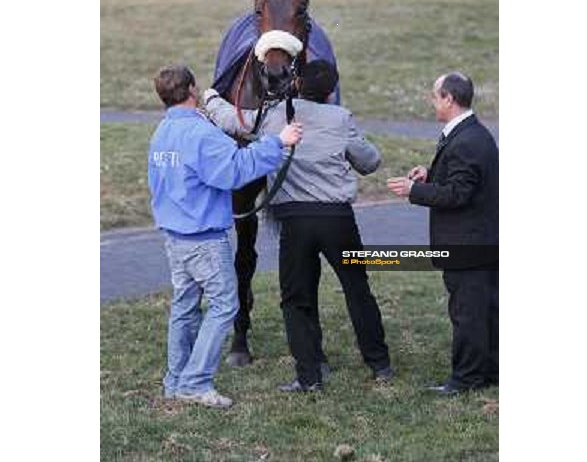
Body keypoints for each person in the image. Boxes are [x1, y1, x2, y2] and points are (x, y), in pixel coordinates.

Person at [204, 60, 392, 392]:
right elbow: (370, 162)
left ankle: (309, 376)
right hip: (338, 220)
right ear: (331, 91)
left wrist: (210, 98)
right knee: (357, 289)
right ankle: (379, 364)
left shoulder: (277, 116)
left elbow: (235, 121)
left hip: (295, 222)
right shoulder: (341, 117)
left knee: (296, 298)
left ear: (297, 84)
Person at [148, 65, 302, 408]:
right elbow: (236, 171)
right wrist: (278, 142)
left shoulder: (161, 132)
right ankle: (195, 382)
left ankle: (175, 381)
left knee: (185, 306)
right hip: (203, 236)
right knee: (224, 305)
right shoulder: (202, 134)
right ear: (192, 89)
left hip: (174, 235)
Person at [387, 72, 498, 395]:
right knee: (485, 310)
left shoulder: (466, 140)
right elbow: (464, 181)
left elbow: (458, 194)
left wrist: (413, 191)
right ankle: (488, 370)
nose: (431, 101)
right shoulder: (470, 133)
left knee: (467, 314)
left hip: (468, 244)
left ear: (449, 98)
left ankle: (465, 379)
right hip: (482, 241)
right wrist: (430, 174)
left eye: (435, 96)